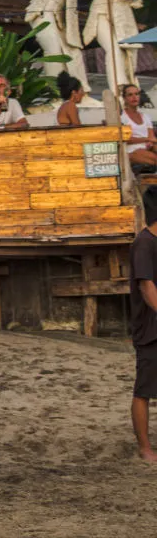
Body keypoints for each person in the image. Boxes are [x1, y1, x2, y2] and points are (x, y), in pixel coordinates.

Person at [130, 186, 157, 462]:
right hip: (151, 330)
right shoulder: (144, 243)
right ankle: (145, 448)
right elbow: (147, 288)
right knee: (145, 390)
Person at [121, 84, 157, 167]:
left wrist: (150, 143)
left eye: (136, 94)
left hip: (147, 148)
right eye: (130, 95)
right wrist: (146, 139)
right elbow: (126, 139)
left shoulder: (145, 117)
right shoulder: (122, 117)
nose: (134, 97)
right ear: (124, 98)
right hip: (131, 151)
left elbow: (151, 137)